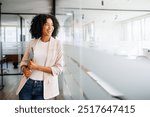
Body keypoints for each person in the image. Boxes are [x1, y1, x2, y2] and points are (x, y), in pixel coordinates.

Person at [16, 14, 63, 100]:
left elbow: (59, 69)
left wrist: (37, 67)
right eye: (46, 24)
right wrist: (24, 69)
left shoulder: (57, 44)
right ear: (39, 26)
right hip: (27, 84)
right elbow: (23, 62)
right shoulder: (32, 43)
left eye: (52, 25)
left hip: (44, 87)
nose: (50, 27)